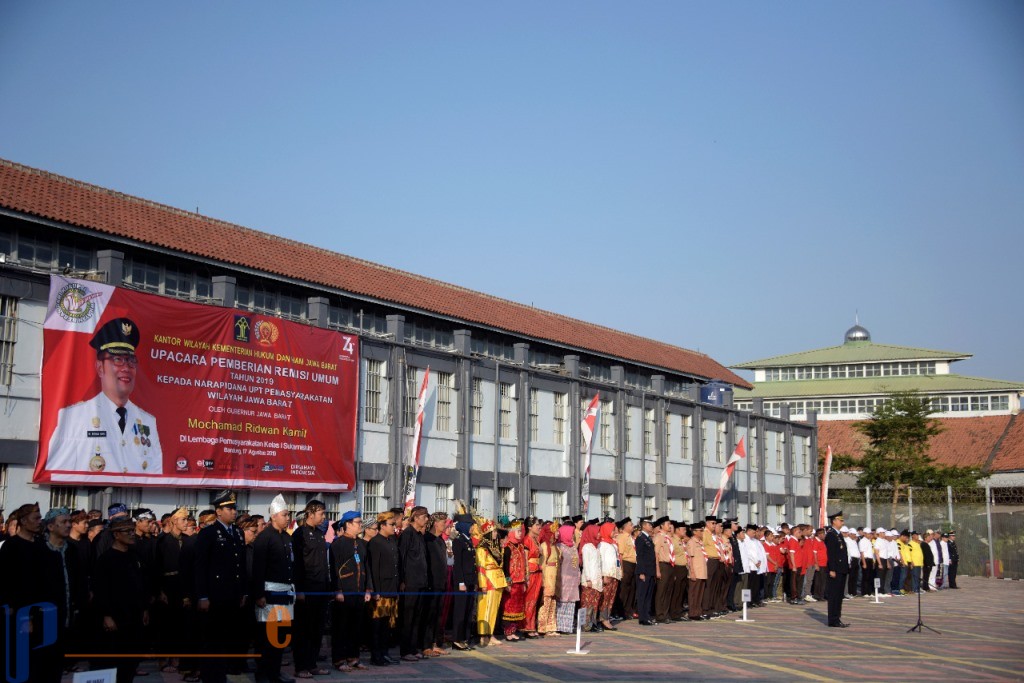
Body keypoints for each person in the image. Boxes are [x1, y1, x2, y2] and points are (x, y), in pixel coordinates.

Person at [47, 317, 164, 474]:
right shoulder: (73, 416)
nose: (126, 368)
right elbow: (57, 472)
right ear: (100, 367)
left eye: (131, 361)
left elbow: (155, 473)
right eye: (117, 359)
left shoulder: (148, 422)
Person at [193, 490, 248, 683]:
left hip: (232, 595)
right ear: (218, 511)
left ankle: (221, 673)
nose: (234, 512)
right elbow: (200, 567)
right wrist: (202, 596)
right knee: (212, 640)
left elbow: (240, 564)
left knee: (227, 637)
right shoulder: (209, 533)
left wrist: (242, 591)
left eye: (234, 508)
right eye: (229, 508)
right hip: (215, 596)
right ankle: (210, 676)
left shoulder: (238, 533)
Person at [93, 516, 149, 683]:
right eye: (127, 532)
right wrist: (106, 615)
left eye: (132, 531)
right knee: (112, 662)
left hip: (134, 616)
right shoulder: (106, 559)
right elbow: (101, 590)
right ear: (116, 535)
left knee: (130, 663)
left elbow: (142, 583)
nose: (132, 534)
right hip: (115, 618)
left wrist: (145, 608)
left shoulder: (135, 556)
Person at [251, 494, 296, 683]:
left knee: (281, 636)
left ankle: (275, 672)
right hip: (268, 593)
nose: (288, 518)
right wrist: (258, 594)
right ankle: (262, 673)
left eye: (288, 515)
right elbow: (257, 568)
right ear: (274, 516)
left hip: (285, 593)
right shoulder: (264, 538)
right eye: (285, 515)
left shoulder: (287, 537)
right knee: (266, 637)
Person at [291, 499, 330, 679]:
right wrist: (299, 590)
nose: (324, 517)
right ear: (310, 513)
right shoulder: (300, 534)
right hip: (307, 589)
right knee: (304, 630)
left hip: (321, 588)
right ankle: (301, 666)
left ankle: (312, 664)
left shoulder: (320, 534)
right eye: (321, 513)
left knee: (317, 629)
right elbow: (297, 564)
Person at [329, 510, 371, 672]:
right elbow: (334, 570)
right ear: (348, 524)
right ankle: (339, 659)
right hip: (344, 592)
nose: (361, 525)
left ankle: (354, 657)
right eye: (358, 522)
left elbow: (367, 567)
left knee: (356, 627)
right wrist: (337, 590)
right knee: (342, 627)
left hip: (359, 591)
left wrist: (368, 588)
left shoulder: (361, 544)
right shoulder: (338, 544)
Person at [366, 510, 401, 666]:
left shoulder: (392, 540)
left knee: (388, 624)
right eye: (391, 524)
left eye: (394, 524)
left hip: (392, 588)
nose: (394, 527)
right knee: (377, 625)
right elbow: (373, 569)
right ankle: (376, 655)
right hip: (381, 590)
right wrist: (375, 591)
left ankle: (384, 653)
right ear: (382, 525)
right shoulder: (375, 542)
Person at [398, 506, 430, 660]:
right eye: (424, 516)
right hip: (410, 583)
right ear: (415, 517)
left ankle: (413, 648)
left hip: (421, 582)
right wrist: (402, 580)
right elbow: (402, 558)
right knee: (408, 617)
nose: (426, 519)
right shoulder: (407, 534)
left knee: (417, 617)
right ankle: (405, 651)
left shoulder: (419, 535)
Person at [475, 519, 507, 645]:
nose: (495, 533)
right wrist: (482, 584)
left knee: (494, 609)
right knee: (486, 608)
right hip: (488, 580)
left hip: (498, 579)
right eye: (493, 531)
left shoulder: (498, 547)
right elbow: (481, 568)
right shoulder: (482, 549)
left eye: (495, 531)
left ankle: (491, 632)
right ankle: (483, 634)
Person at [423, 511, 451, 656]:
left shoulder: (440, 540)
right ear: (435, 523)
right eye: (442, 523)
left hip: (441, 582)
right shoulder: (427, 539)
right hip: (430, 583)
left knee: (438, 615)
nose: (445, 525)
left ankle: (435, 643)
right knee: (429, 614)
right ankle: (426, 645)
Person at [449, 514, 478, 650]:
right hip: (462, 581)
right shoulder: (459, 541)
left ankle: (465, 638)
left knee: (468, 610)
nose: (473, 528)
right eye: (471, 525)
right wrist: (461, 582)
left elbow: (472, 563)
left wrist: (475, 581)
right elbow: (458, 565)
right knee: (460, 611)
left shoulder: (469, 540)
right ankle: (457, 639)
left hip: (470, 580)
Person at [823, 511, 850, 628]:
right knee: (834, 595)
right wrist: (832, 569)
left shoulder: (838, 534)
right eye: (840, 520)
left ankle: (837, 617)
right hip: (836, 569)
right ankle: (833, 619)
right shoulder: (831, 535)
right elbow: (831, 554)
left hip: (842, 569)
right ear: (834, 521)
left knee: (839, 595)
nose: (842, 522)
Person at [555, 522, 580, 634]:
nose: (573, 536)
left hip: (573, 579)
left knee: (571, 602)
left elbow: (577, 563)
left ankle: (567, 627)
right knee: (562, 602)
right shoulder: (559, 547)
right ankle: (559, 626)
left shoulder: (573, 546)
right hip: (563, 578)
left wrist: (578, 575)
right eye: (571, 533)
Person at [521, 516, 544, 638]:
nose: (539, 527)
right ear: (530, 527)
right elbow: (525, 558)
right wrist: (526, 574)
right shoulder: (527, 540)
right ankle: (526, 626)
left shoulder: (536, 539)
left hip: (538, 571)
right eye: (536, 525)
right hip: (531, 571)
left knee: (534, 600)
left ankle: (531, 625)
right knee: (528, 600)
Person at [536, 520, 560, 637]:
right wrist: (543, 581)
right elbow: (542, 565)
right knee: (545, 603)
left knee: (552, 603)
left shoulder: (555, 547)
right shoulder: (544, 546)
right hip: (547, 577)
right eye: (555, 532)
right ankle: (542, 627)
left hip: (554, 577)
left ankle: (551, 626)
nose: (557, 534)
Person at [598, 520, 622, 630]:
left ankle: (607, 617)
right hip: (607, 574)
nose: (614, 532)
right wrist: (604, 575)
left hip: (614, 574)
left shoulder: (612, 544)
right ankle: (602, 619)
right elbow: (600, 561)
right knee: (605, 598)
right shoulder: (602, 544)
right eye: (612, 530)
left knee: (611, 598)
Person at [634, 515, 656, 625]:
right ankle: (642, 618)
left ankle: (646, 616)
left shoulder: (648, 538)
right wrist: (641, 572)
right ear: (643, 526)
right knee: (642, 595)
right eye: (649, 524)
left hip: (650, 571)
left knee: (648, 595)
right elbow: (640, 556)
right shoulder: (640, 538)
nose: (651, 526)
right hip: (644, 571)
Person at [613, 517, 636, 619]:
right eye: (630, 525)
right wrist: (621, 569)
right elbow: (620, 554)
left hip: (633, 564)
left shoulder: (631, 538)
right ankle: (620, 611)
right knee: (624, 589)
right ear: (625, 527)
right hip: (626, 564)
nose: (633, 526)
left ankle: (627, 611)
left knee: (631, 588)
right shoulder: (622, 537)